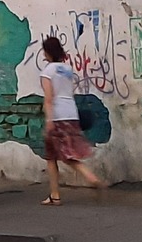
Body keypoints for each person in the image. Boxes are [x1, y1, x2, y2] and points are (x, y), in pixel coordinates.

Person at [37, 36, 105, 205]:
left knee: (59, 156)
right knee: (54, 154)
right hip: (71, 113)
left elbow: (49, 98)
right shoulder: (68, 69)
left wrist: (49, 120)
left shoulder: (47, 72)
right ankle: (54, 194)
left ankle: (89, 178)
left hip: (57, 115)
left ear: (48, 52)